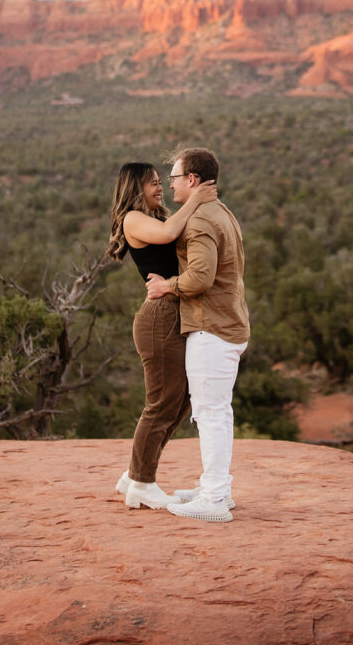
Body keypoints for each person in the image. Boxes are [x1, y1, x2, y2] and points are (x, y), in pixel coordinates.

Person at [146, 147, 249, 523]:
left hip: (212, 328)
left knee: (211, 412)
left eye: (173, 177)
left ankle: (216, 499)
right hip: (228, 324)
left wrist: (166, 286)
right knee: (215, 411)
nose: (169, 182)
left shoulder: (202, 220)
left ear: (191, 180)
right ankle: (214, 487)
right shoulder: (222, 212)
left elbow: (201, 278)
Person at [106, 161, 217, 510]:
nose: (159, 187)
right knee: (161, 403)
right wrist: (196, 198)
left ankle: (134, 473)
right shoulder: (132, 219)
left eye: (160, 181)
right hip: (160, 319)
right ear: (134, 188)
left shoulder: (154, 217)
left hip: (174, 315)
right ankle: (141, 482)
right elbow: (170, 233)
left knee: (181, 399)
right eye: (152, 183)